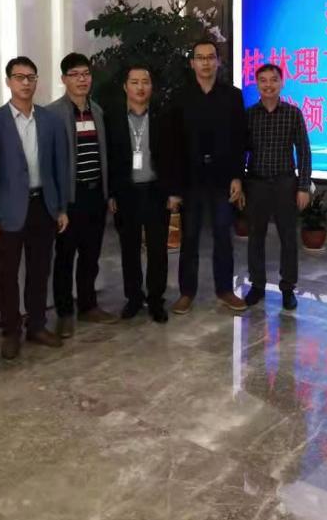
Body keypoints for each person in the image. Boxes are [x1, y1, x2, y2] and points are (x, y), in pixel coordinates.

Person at [0, 57, 70, 360]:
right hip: (7, 211)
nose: (25, 83)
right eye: (19, 77)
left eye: (31, 77)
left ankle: (37, 325)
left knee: (39, 271)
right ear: (8, 81)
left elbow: (59, 167)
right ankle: (10, 331)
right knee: (7, 275)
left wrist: (61, 208)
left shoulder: (50, 121)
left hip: (43, 206)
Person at [168, 40, 248, 314]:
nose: (205, 62)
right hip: (191, 180)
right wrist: (174, 187)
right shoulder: (180, 97)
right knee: (189, 238)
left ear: (218, 62)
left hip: (222, 178)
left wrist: (237, 176)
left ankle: (225, 290)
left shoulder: (232, 96)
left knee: (223, 236)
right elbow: (173, 144)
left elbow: (239, 140)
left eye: (210, 57)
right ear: (192, 63)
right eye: (200, 58)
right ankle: (186, 292)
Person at [46, 53, 118, 337]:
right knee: (65, 257)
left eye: (86, 74)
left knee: (91, 254)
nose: (82, 79)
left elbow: (105, 155)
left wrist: (108, 193)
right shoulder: (52, 114)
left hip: (95, 194)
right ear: (64, 79)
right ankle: (65, 313)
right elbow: (49, 163)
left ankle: (88, 306)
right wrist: (58, 205)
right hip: (69, 198)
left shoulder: (97, 111)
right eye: (75, 74)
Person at [105, 65, 180, 324]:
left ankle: (156, 300)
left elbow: (174, 155)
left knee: (158, 249)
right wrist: (111, 193)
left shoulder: (164, 116)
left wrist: (174, 192)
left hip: (156, 191)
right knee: (129, 248)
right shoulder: (113, 118)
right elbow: (110, 159)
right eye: (134, 82)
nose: (140, 87)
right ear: (125, 86)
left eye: (145, 82)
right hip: (126, 193)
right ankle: (134, 298)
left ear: (151, 86)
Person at [244, 63, 312, 311]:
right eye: (263, 80)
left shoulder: (293, 113)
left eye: (273, 80)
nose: (268, 85)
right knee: (255, 237)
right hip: (257, 183)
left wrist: (303, 187)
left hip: (285, 183)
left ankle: (288, 288)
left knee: (288, 237)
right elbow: (241, 152)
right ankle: (257, 285)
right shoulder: (249, 115)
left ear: (282, 83)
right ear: (257, 84)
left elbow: (304, 151)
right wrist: (240, 183)